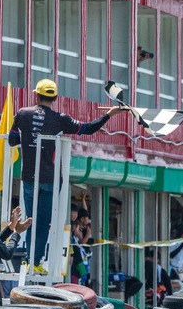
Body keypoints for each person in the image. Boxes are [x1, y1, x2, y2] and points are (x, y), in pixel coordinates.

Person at [7, 78, 125, 273]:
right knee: (43, 222)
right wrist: (109, 115)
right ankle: (34, 262)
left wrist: (29, 139)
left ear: (37, 95)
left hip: (29, 176)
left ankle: (28, 261)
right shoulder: (60, 118)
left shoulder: (22, 113)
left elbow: (12, 141)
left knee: (30, 219)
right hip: (50, 178)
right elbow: (88, 129)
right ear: (55, 98)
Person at [69, 208, 93, 284]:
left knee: (83, 276)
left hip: (83, 260)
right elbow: (81, 242)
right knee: (78, 278)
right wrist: (87, 234)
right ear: (82, 219)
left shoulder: (85, 228)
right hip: (76, 261)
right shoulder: (76, 228)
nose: (88, 220)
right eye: (86, 218)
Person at [168, 224, 183, 290]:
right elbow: (171, 255)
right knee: (179, 289)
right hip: (176, 270)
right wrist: (181, 246)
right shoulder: (175, 243)